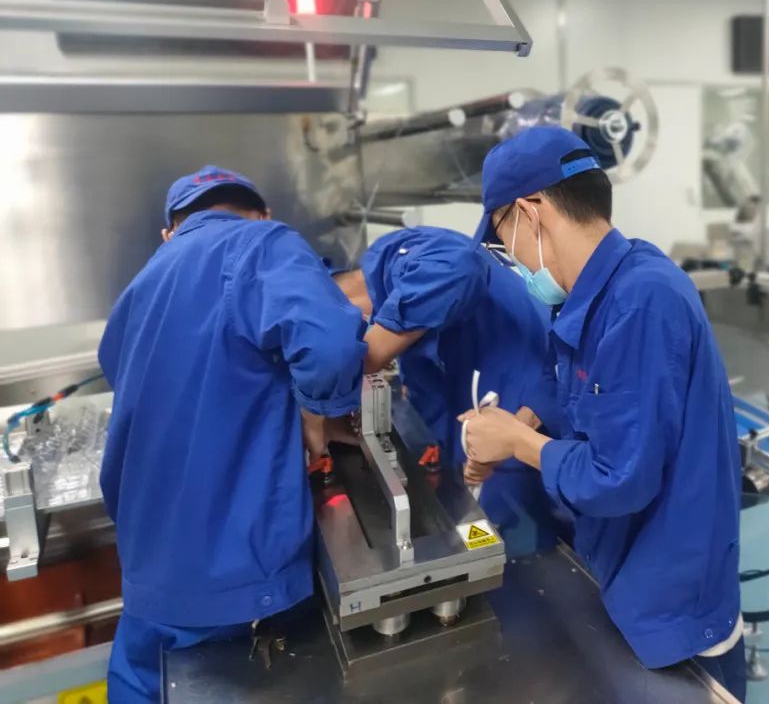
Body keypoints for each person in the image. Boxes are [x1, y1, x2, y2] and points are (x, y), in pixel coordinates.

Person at [459, 127, 745, 699]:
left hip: (672, 611)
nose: (512, 261)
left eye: (503, 241)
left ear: (530, 212)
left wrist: (517, 442)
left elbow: (618, 477)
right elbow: (573, 387)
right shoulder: (601, 289)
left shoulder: (643, 300)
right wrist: (517, 423)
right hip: (623, 573)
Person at [98, 165, 367, 703]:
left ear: (170, 232)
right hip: (236, 579)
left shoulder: (138, 288)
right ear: (262, 214)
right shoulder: (264, 242)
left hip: (149, 573)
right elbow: (332, 346)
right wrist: (318, 415)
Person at [332, 226, 563, 551]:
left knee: (512, 537)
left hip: (519, 400)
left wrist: (371, 353)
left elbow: (459, 263)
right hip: (471, 415)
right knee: (470, 510)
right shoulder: (391, 291)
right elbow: (424, 380)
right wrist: (439, 451)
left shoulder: (410, 259)